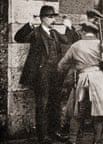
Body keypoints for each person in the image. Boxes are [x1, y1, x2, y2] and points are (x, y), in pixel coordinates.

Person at [14, 5, 76, 143]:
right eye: (50, 16)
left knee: (55, 103)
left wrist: (69, 27)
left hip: (55, 75)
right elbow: (18, 37)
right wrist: (29, 24)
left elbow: (69, 40)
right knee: (42, 104)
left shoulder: (54, 33)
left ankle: (54, 132)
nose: (52, 19)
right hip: (41, 74)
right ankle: (42, 137)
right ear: (42, 18)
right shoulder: (36, 32)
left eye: (53, 16)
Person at [58, 21, 103, 144]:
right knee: (99, 111)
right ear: (95, 33)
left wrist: (75, 66)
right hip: (98, 79)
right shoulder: (102, 45)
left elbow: (61, 65)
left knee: (77, 111)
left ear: (84, 32)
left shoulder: (76, 45)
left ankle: (72, 140)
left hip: (81, 79)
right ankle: (96, 141)